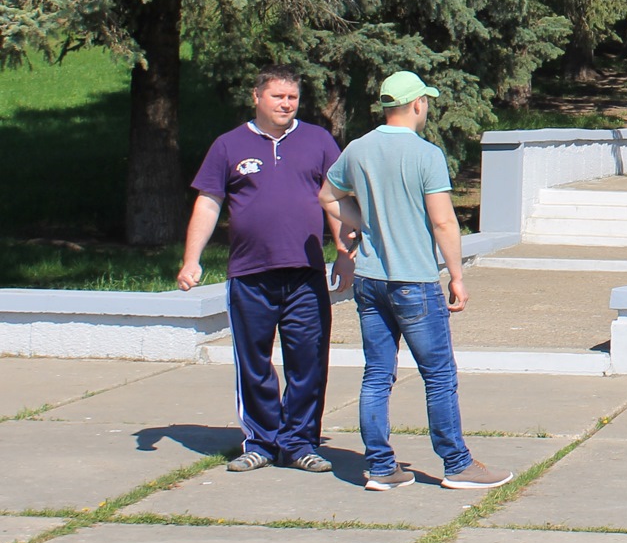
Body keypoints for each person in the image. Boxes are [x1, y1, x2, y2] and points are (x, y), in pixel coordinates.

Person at [320, 72, 512, 492]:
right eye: (426, 102)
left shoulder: (357, 149)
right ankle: (457, 464)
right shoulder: (426, 154)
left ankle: (380, 467)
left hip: (371, 280)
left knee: (377, 374)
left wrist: (364, 224)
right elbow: (443, 220)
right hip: (415, 282)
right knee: (439, 375)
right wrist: (457, 275)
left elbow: (328, 197)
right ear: (417, 105)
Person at [178, 66, 345, 474]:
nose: (286, 104)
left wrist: (344, 250)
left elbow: (336, 198)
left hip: (305, 274)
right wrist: (191, 259)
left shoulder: (318, 141)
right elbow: (209, 203)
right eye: (277, 96)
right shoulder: (229, 145)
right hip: (250, 275)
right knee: (253, 361)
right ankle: (261, 441)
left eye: (292, 97)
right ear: (257, 96)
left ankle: (301, 442)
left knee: (308, 361)